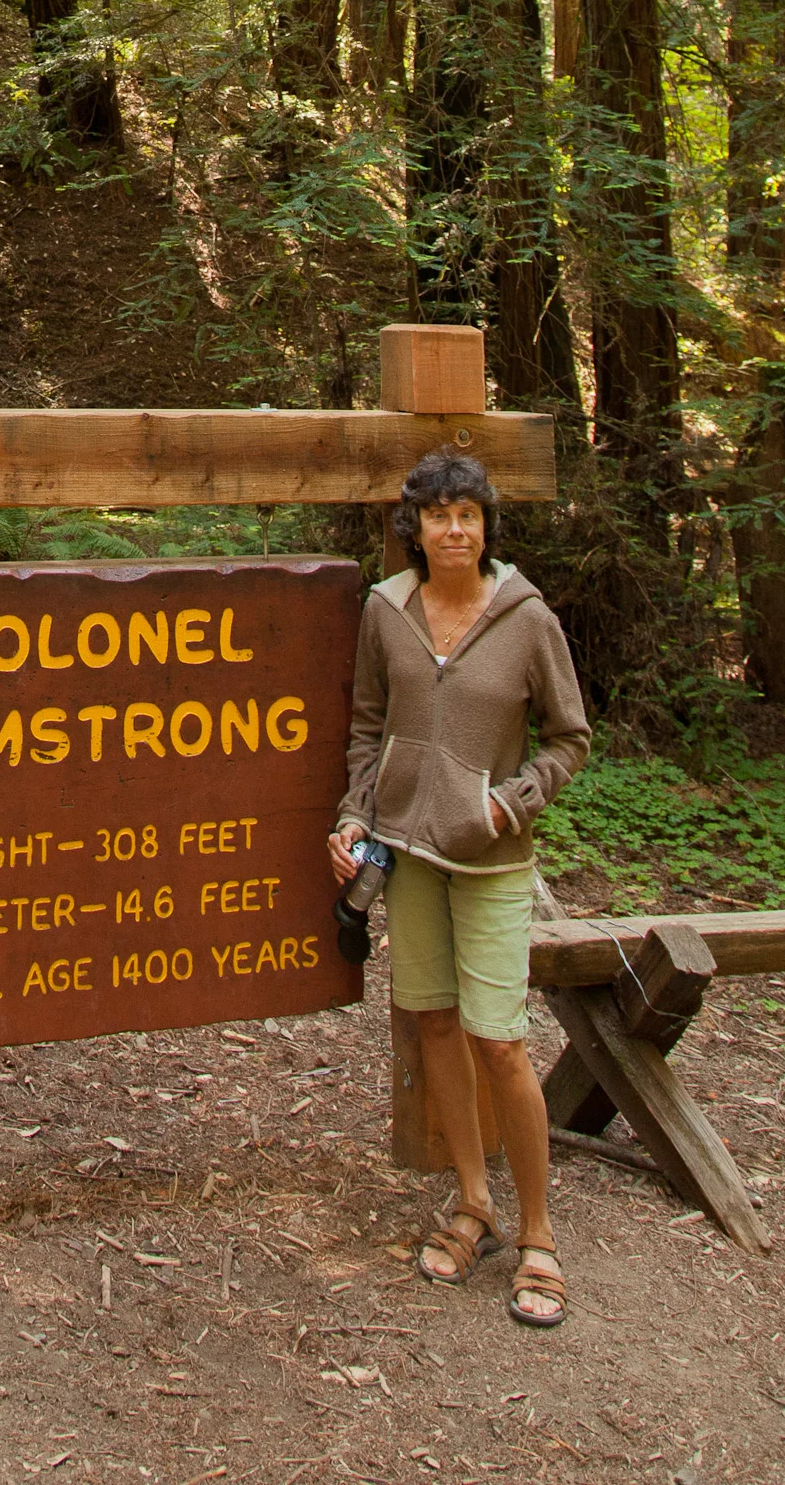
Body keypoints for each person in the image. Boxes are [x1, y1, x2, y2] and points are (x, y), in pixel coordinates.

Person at [328, 448, 589, 1328]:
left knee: (501, 1042)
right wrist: (354, 820)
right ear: (415, 527)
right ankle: (473, 1203)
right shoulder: (386, 611)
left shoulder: (526, 619)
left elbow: (568, 738)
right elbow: (368, 727)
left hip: (489, 861)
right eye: (437, 515)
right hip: (404, 854)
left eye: (467, 515)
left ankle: (539, 1237)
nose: (453, 529)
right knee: (432, 1021)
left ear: (485, 527)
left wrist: (513, 804)